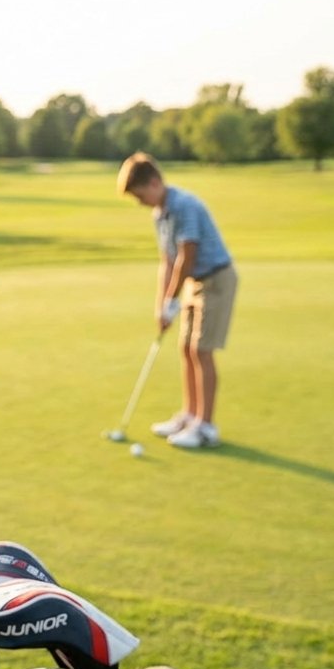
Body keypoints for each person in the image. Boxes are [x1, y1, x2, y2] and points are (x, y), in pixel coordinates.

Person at [117, 152, 238, 449]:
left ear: (155, 183)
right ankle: (190, 415)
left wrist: (173, 299)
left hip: (216, 280)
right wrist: (162, 305)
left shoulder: (185, 205)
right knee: (186, 348)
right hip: (194, 283)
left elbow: (187, 256)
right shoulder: (160, 214)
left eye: (140, 195)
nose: (140, 202)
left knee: (202, 350)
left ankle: (205, 427)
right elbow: (168, 261)